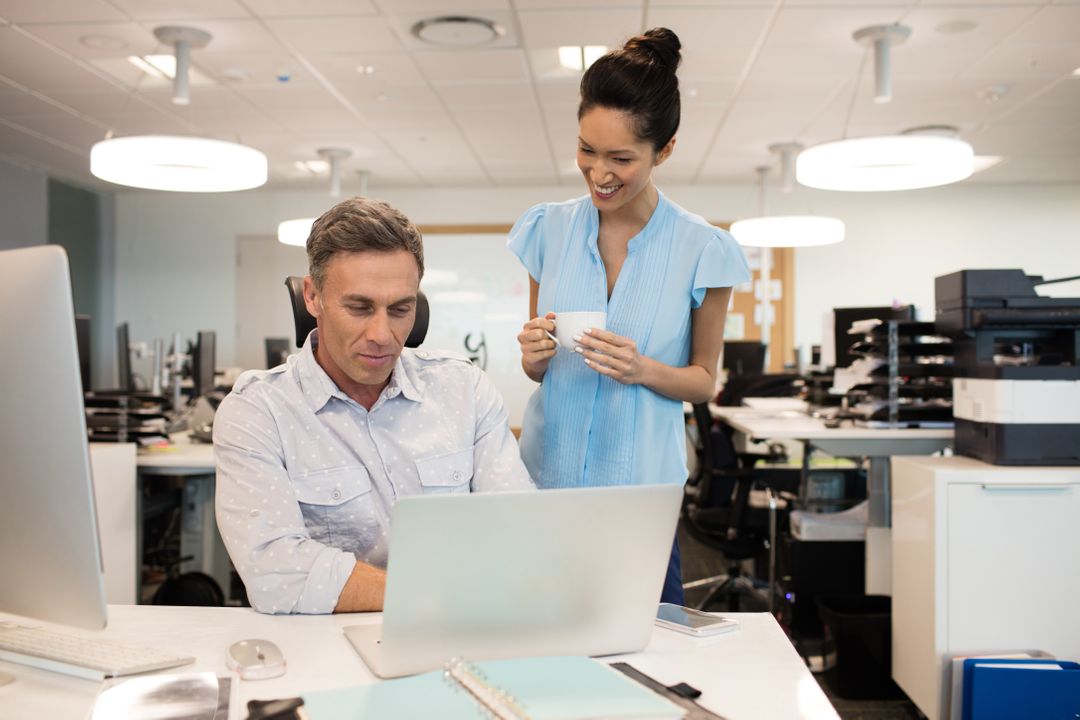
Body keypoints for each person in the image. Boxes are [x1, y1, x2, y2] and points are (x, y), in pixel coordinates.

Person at [509, 28, 751, 606]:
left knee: (649, 657)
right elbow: (538, 371)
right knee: (540, 641)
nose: (599, 173)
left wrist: (642, 368)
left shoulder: (703, 248)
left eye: (621, 157)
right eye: (587, 150)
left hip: (641, 495)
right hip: (548, 481)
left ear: (663, 151)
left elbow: (702, 380)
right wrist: (532, 355)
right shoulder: (548, 229)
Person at [214, 197, 533, 615]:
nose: (383, 335)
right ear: (313, 297)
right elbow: (276, 572)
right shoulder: (259, 412)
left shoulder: (464, 391)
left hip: (459, 632)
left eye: (401, 310)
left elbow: (516, 529)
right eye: (359, 307)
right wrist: (435, 595)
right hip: (328, 649)